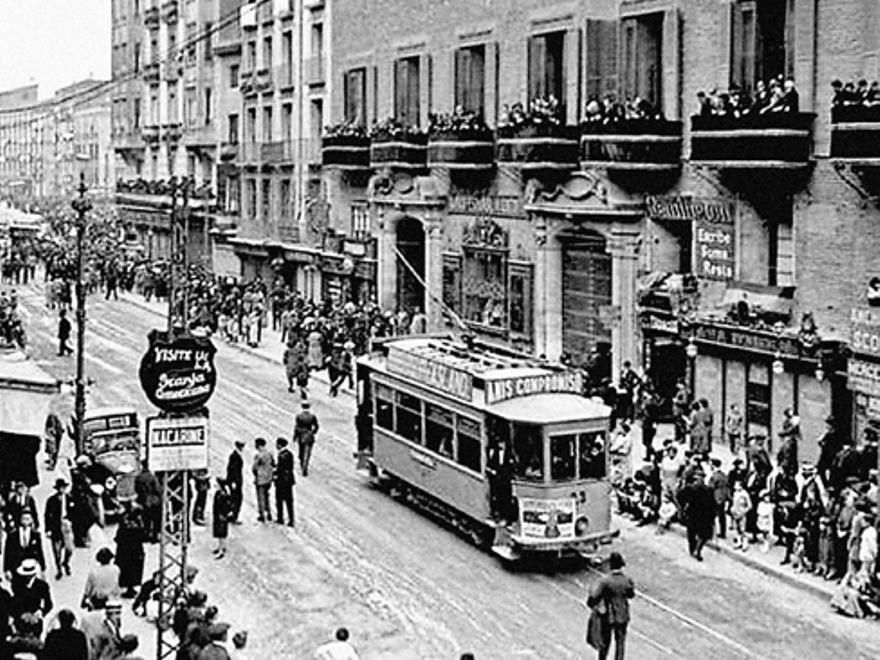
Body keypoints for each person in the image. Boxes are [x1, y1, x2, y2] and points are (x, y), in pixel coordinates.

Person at [586, 552, 634, 660]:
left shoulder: (605, 581)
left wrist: (593, 605)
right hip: (623, 615)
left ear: (610, 565)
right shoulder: (627, 580)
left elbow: (593, 597)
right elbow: (631, 595)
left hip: (608, 616)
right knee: (620, 642)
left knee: (605, 641)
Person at [44, 476, 75, 580]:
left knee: (69, 548)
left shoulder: (70, 498)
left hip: (67, 524)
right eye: (60, 488)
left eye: (63, 488)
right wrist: (47, 529)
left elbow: (76, 513)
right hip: (55, 526)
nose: (62, 490)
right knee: (56, 550)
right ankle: (59, 569)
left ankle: (66, 562)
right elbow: (47, 515)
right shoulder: (51, 500)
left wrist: (72, 522)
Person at [10, 559, 53, 631]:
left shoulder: (42, 586)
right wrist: (20, 614)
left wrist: (39, 613)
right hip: (20, 621)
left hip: (35, 621)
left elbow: (48, 604)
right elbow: (14, 602)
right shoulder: (17, 585)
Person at [115, 505, 146, 599]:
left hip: (124, 551)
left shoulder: (124, 523)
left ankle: (127, 587)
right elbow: (143, 536)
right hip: (135, 551)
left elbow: (118, 537)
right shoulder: (138, 524)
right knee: (134, 570)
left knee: (126, 570)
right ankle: (131, 588)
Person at [3, 510, 45, 578]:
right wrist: (7, 569)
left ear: (31, 520)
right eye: (24, 519)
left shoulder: (35, 535)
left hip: (31, 567)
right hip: (16, 566)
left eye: (28, 519)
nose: (26, 521)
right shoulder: (12, 535)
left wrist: (43, 569)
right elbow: (7, 552)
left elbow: (40, 551)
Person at [294, 400, 320, 477]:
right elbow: (316, 426)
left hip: (301, 435)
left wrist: (295, 436)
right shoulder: (312, 416)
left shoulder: (299, 416)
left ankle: (302, 463)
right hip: (309, 435)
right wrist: (313, 432)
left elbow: (296, 427)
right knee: (308, 452)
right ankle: (305, 464)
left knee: (301, 451)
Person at [252, 438, 275, 523]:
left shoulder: (259, 455)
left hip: (260, 479)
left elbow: (254, 467)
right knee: (266, 496)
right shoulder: (270, 453)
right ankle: (269, 513)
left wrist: (256, 474)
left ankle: (262, 514)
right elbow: (273, 464)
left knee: (260, 497)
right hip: (268, 479)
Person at [275, 437, 296, 527]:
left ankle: (280, 518)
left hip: (282, 481)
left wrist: (275, 474)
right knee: (289, 501)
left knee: (279, 500)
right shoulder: (289, 454)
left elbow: (281, 469)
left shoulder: (281, 456)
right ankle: (291, 519)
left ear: (280, 445)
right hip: (289, 481)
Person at [708, 458, 730, 540]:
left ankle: (711, 533)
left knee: (712, 516)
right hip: (722, 498)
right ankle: (723, 532)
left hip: (715, 497)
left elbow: (711, 488)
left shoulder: (714, 476)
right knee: (722, 516)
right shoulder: (724, 475)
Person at [212, 478, 232, 559]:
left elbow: (226, 506)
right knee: (219, 534)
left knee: (222, 534)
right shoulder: (218, 493)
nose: (215, 486)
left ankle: (222, 549)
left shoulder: (223, 495)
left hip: (221, 517)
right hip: (218, 516)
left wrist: (225, 514)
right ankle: (220, 547)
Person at [226, 441, 245, 524]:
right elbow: (232, 469)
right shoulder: (234, 456)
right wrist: (233, 481)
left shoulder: (236, 455)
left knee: (236, 498)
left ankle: (233, 515)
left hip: (236, 481)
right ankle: (233, 516)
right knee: (236, 499)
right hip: (235, 481)